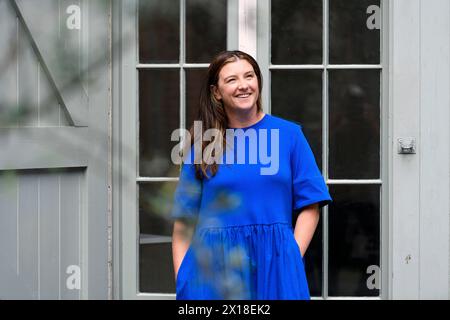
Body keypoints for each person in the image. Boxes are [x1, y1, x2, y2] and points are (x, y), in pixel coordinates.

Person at [171, 50, 332, 300]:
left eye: (249, 76)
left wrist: (289, 255)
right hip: (213, 270)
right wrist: (183, 279)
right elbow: (184, 221)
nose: (243, 85)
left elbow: (310, 205)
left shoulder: (289, 135)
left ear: (258, 81)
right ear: (216, 92)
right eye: (232, 79)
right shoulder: (203, 143)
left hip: (276, 264)